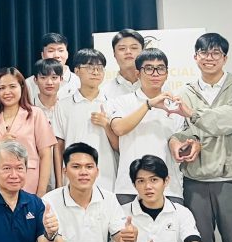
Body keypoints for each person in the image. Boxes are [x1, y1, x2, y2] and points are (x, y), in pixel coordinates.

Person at [169, 33, 232, 242]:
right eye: (204, 52)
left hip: (230, 179)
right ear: (195, 57)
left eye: (216, 53)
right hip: (196, 178)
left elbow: (227, 121)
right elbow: (181, 130)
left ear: (225, 58)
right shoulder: (185, 91)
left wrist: (193, 115)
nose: (209, 58)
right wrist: (183, 143)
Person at [108, 50, 186, 203]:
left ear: (166, 74)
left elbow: (180, 143)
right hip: (129, 187)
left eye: (160, 68)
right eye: (149, 68)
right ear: (138, 73)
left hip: (168, 188)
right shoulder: (122, 102)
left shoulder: (176, 107)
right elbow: (119, 128)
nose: (155, 73)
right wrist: (149, 104)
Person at [0, 67, 57, 197]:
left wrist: (41, 192)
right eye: (2, 88)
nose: (7, 92)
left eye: (12, 86)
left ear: (22, 87)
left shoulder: (35, 114)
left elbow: (46, 155)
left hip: (29, 184)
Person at [54, 48, 119, 192]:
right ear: (77, 71)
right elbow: (59, 145)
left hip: (106, 175)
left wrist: (106, 125)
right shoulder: (63, 105)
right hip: (72, 174)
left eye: (99, 68)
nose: (96, 72)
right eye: (90, 67)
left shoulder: (112, 103)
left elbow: (119, 145)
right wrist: (59, 181)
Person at [30, 58, 66, 193]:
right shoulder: (28, 110)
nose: (49, 82)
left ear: (61, 79)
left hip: (64, 175)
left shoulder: (67, 108)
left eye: (54, 77)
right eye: (43, 77)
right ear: (35, 80)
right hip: (34, 176)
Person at [25, 32, 80, 101]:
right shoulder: (29, 83)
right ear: (42, 55)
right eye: (51, 51)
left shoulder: (78, 81)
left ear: (67, 54)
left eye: (61, 50)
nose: (56, 55)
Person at [102, 29, 145, 103]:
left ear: (143, 52)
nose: (128, 52)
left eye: (134, 48)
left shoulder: (156, 86)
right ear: (114, 54)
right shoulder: (105, 92)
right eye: (122, 48)